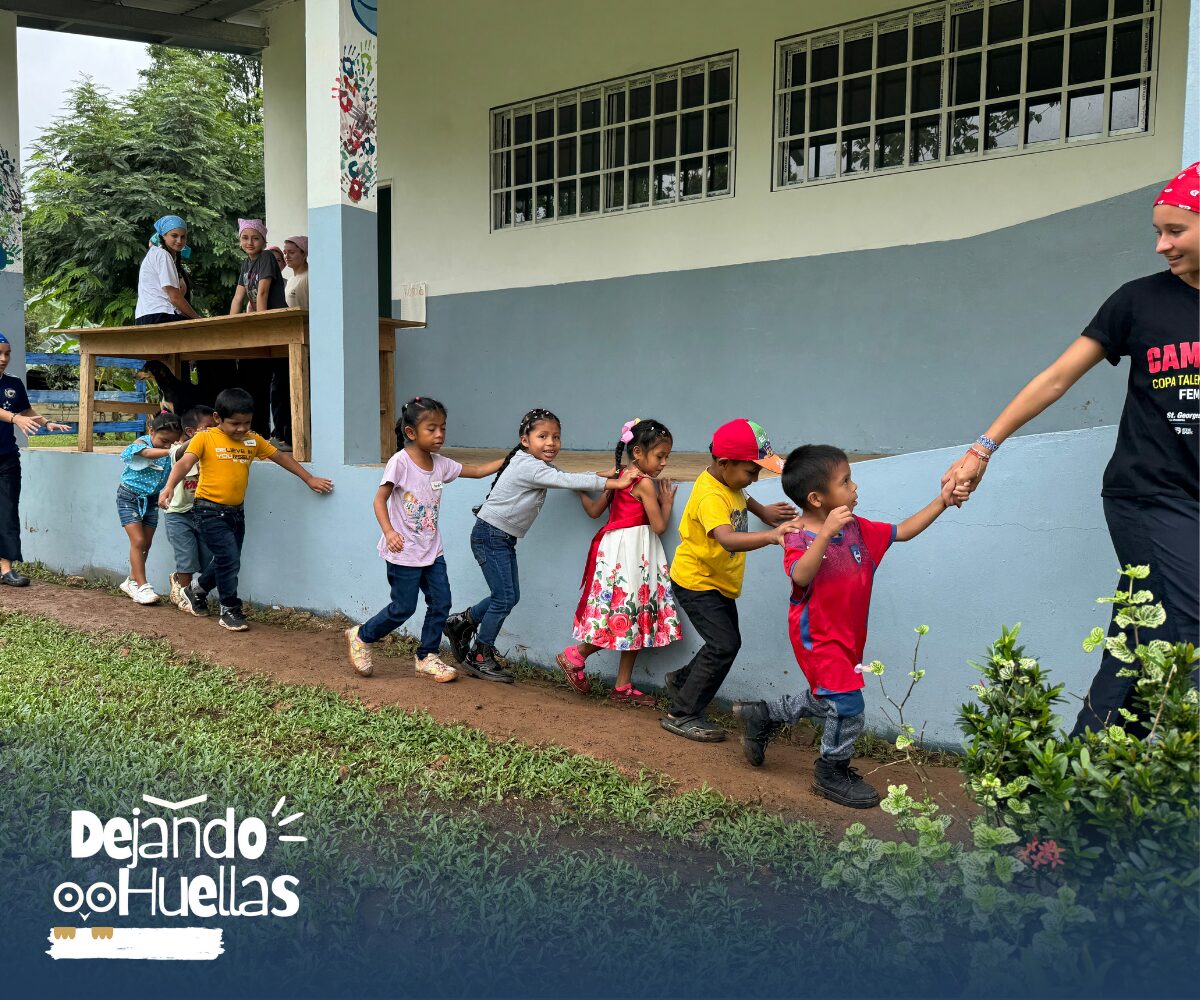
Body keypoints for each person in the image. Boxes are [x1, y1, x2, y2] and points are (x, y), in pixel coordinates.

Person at [945, 162, 1200, 737]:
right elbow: (1057, 378)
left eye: (1175, 231)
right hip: (1149, 495)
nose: (1161, 245)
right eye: (1158, 231)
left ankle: (1086, 776)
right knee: (1188, 631)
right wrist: (983, 449)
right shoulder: (1139, 302)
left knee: (1141, 637)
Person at [733, 445, 963, 808]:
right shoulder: (797, 536)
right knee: (848, 703)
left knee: (828, 696)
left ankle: (763, 715)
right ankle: (831, 771)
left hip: (849, 636)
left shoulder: (856, 528)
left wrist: (943, 501)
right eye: (845, 481)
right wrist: (824, 534)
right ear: (817, 498)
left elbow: (902, 531)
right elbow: (801, 574)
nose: (855, 487)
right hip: (817, 637)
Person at [442, 408, 637, 683]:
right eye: (542, 436)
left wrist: (614, 474)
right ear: (525, 440)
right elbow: (567, 480)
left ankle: (462, 622)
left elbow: (568, 476)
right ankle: (480, 655)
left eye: (556, 437)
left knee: (508, 596)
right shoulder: (529, 466)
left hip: (498, 537)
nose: (551, 443)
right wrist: (618, 482)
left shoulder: (536, 465)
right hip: (491, 536)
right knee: (504, 598)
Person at [660, 419, 801, 742]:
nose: (755, 478)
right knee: (724, 645)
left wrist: (763, 511)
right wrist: (772, 535)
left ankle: (681, 681)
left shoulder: (726, 481)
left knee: (724, 643)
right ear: (725, 463)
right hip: (697, 582)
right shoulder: (710, 496)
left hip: (718, 580)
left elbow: (741, 494)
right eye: (752, 471)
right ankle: (681, 714)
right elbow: (726, 538)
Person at [344, 397, 504, 680]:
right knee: (403, 608)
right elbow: (379, 500)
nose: (440, 434)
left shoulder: (441, 464)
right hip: (403, 552)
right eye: (432, 429)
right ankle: (362, 636)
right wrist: (389, 532)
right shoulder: (400, 462)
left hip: (432, 551)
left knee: (441, 603)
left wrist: (512, 459)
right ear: (411, 432)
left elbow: (478, 471)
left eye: (443, 428)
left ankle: (426, 656)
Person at [158, 387, 334, 632]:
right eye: (235, 423)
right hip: (208, 510)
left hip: (235, 512)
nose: (241, 429)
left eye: (247, 423)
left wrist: (309, 478)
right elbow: (184, 463)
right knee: (229, 560)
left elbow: (281, 457)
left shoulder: (252, 440)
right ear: (218, 418)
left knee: (228, 560)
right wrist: (168, 487)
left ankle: (195, 590)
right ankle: (229, 608)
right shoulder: (205, 438)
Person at [557, 418, 682, 704]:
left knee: (634, 616)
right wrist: (666, 503)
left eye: (667, 456)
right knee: (629, 614)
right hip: (633, 555)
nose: (664, 462)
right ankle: (575, 655)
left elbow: (594, 511)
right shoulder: (645, 484)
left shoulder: (620, 475)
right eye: (660, 456)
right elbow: (659, 526)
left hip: (615, 552)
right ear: (638, 452)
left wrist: (580, 490)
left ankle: (622, 685)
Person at [0, 333, 70, 587]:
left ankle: (6, 570)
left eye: (7, 353)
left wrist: (46, 422)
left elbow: (25, 410)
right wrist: (14, 418)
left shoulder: (13, 383)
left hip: (7, 458)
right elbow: (15, 415)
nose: (3, 358)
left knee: (8, 512)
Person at [116, 411, 184, 605]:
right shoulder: (141, 444)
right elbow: (146, 454)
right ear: (151, 431)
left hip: (151, 500)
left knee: (146, 543)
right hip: (129, 497)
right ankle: (143, 586)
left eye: (173, 442)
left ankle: (131, 581)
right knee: (137, 541)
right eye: (164, 441)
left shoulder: (172, 448)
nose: (168, 445)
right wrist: (172, 451)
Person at [226, 219, 284, 439]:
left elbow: (262, 293)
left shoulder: (266, 257)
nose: (250, 242)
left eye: (255, 238)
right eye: (245, 238)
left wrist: (261, 326)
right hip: (259, 325)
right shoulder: (245, 263)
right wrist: (230, 326)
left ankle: (270, 433)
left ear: (263, 240)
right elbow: (238, 297)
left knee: (273, 382)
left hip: (273, 324)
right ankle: (255, 432)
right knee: (252, 379)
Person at [163, 404, 219, 612]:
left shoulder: (213, 454)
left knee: (207, 559)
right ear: (190, 431)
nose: (214, 431)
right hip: (178, 515)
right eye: (209, 427)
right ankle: (188, 598)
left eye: (216, 426)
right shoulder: (177, 450)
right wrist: (200, 438)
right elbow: (179, 455)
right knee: (186, 557)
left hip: (203, 513)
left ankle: (182, 583)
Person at [134, 215, 200, 325]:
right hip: (161, 315)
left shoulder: (155, 254)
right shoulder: (163, 255)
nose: (179, 240)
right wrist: (198, 319)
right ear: (163, 236)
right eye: (174, 236)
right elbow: (175, 297)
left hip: (145, 316)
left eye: (183, 237)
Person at [283, 237, 309, 309]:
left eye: (291, 252)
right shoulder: (290, 280)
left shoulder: (309, 277)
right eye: (284, 253)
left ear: (304, 254)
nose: (287, 256)